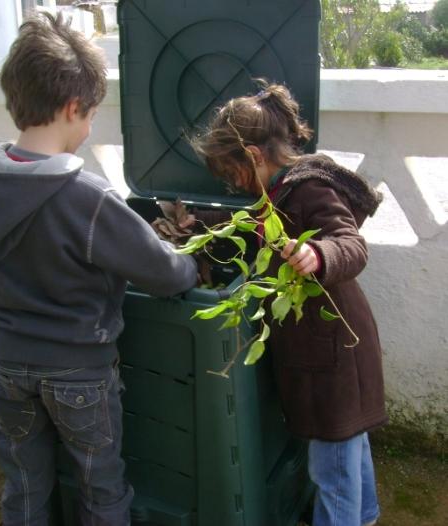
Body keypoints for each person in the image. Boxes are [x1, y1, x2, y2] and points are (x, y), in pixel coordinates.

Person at [0, 12, 197, 526]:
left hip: (8, 363)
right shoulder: (84, 195)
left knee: (24, 481)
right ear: (74, 108)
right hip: (78, 371)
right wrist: (191, 265)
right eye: (91, 115)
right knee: (101, 486)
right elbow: (160, 271)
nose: (90, 127)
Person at [185, 81, 387, 526]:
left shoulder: (308, 189)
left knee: (332, 466)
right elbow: (252, 228)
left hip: (336, 353)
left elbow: (350, 243)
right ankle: (366, 516)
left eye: (232, 173)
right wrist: (199, 225)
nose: (230, 184)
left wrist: (319, 254)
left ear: (255, 157)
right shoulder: (273, 197)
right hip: (327, 351)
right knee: (350, 448)